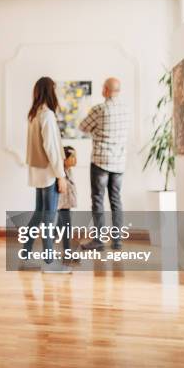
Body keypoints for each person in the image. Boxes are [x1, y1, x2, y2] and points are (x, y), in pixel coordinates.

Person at [25, 77, 70, 273]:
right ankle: (49, 262)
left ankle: (26, 252)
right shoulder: (48, 116)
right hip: (49, 174)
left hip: (38, 173)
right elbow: (51, 149)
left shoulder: (35, 114)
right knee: (48, 218)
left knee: (39, 215)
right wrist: (61, 176)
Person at [78, 78, 129, 251]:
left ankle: (99, 240)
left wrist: (95, 129)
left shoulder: (99, 109)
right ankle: (117, 241)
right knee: (116, 200)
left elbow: (83, 127)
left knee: (98, 200)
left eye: (103, 87)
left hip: (101, 161)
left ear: (107, 90)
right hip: (119, 163)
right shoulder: (125, 110)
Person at [58, 146, 77, 260]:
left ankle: (67, 252)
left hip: (66, 205)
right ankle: (67, 253)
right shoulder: (61, 174)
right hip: (62, 206)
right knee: (66, 228)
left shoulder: (69, 171)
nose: (76, 160)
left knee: (62, 228)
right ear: (64, 159)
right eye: (73, 157)